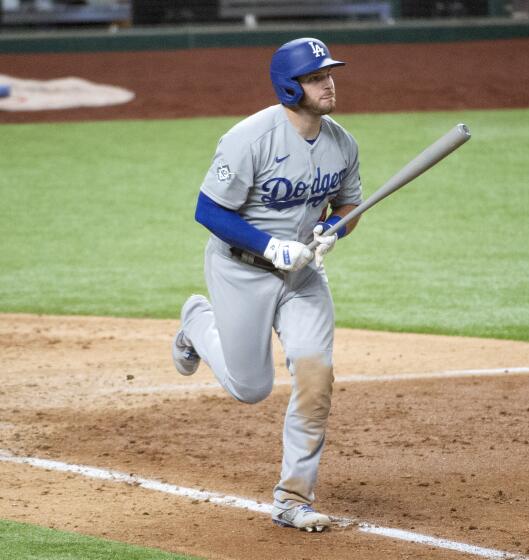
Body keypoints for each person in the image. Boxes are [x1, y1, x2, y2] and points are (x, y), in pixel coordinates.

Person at [171, 37, 362, 533]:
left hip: (303, 276)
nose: (328, 83)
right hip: (240, 271)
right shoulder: (250, 139)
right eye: (316, 77)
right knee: (250, 388)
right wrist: (271, 246)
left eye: (329, 74)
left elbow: (348, 207)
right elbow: (207, 210)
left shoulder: (343, 143)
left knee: (316, 379)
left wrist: (333, 229)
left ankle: (293, 499)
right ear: (288, 86)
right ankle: (196, 321)